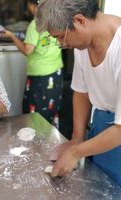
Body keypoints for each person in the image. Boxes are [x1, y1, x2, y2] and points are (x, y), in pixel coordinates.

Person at [36, 0, 121, 185]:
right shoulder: (83, 44)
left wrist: (76, 152)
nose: (62, 43)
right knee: (97, 185)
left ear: (80, 21)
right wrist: (77, 138)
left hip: (118, 131)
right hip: (101, 126)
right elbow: (81, 92)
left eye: (60, 37)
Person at [2, 0, 63, 124]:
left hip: (40, 76)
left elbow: (27, 50)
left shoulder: (35, 24)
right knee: (51, 109)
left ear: (34, 6)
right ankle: (53, 140)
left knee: (35, 112)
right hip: (56, 73)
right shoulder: (56, 20)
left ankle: (36, 141)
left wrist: (11, 36)